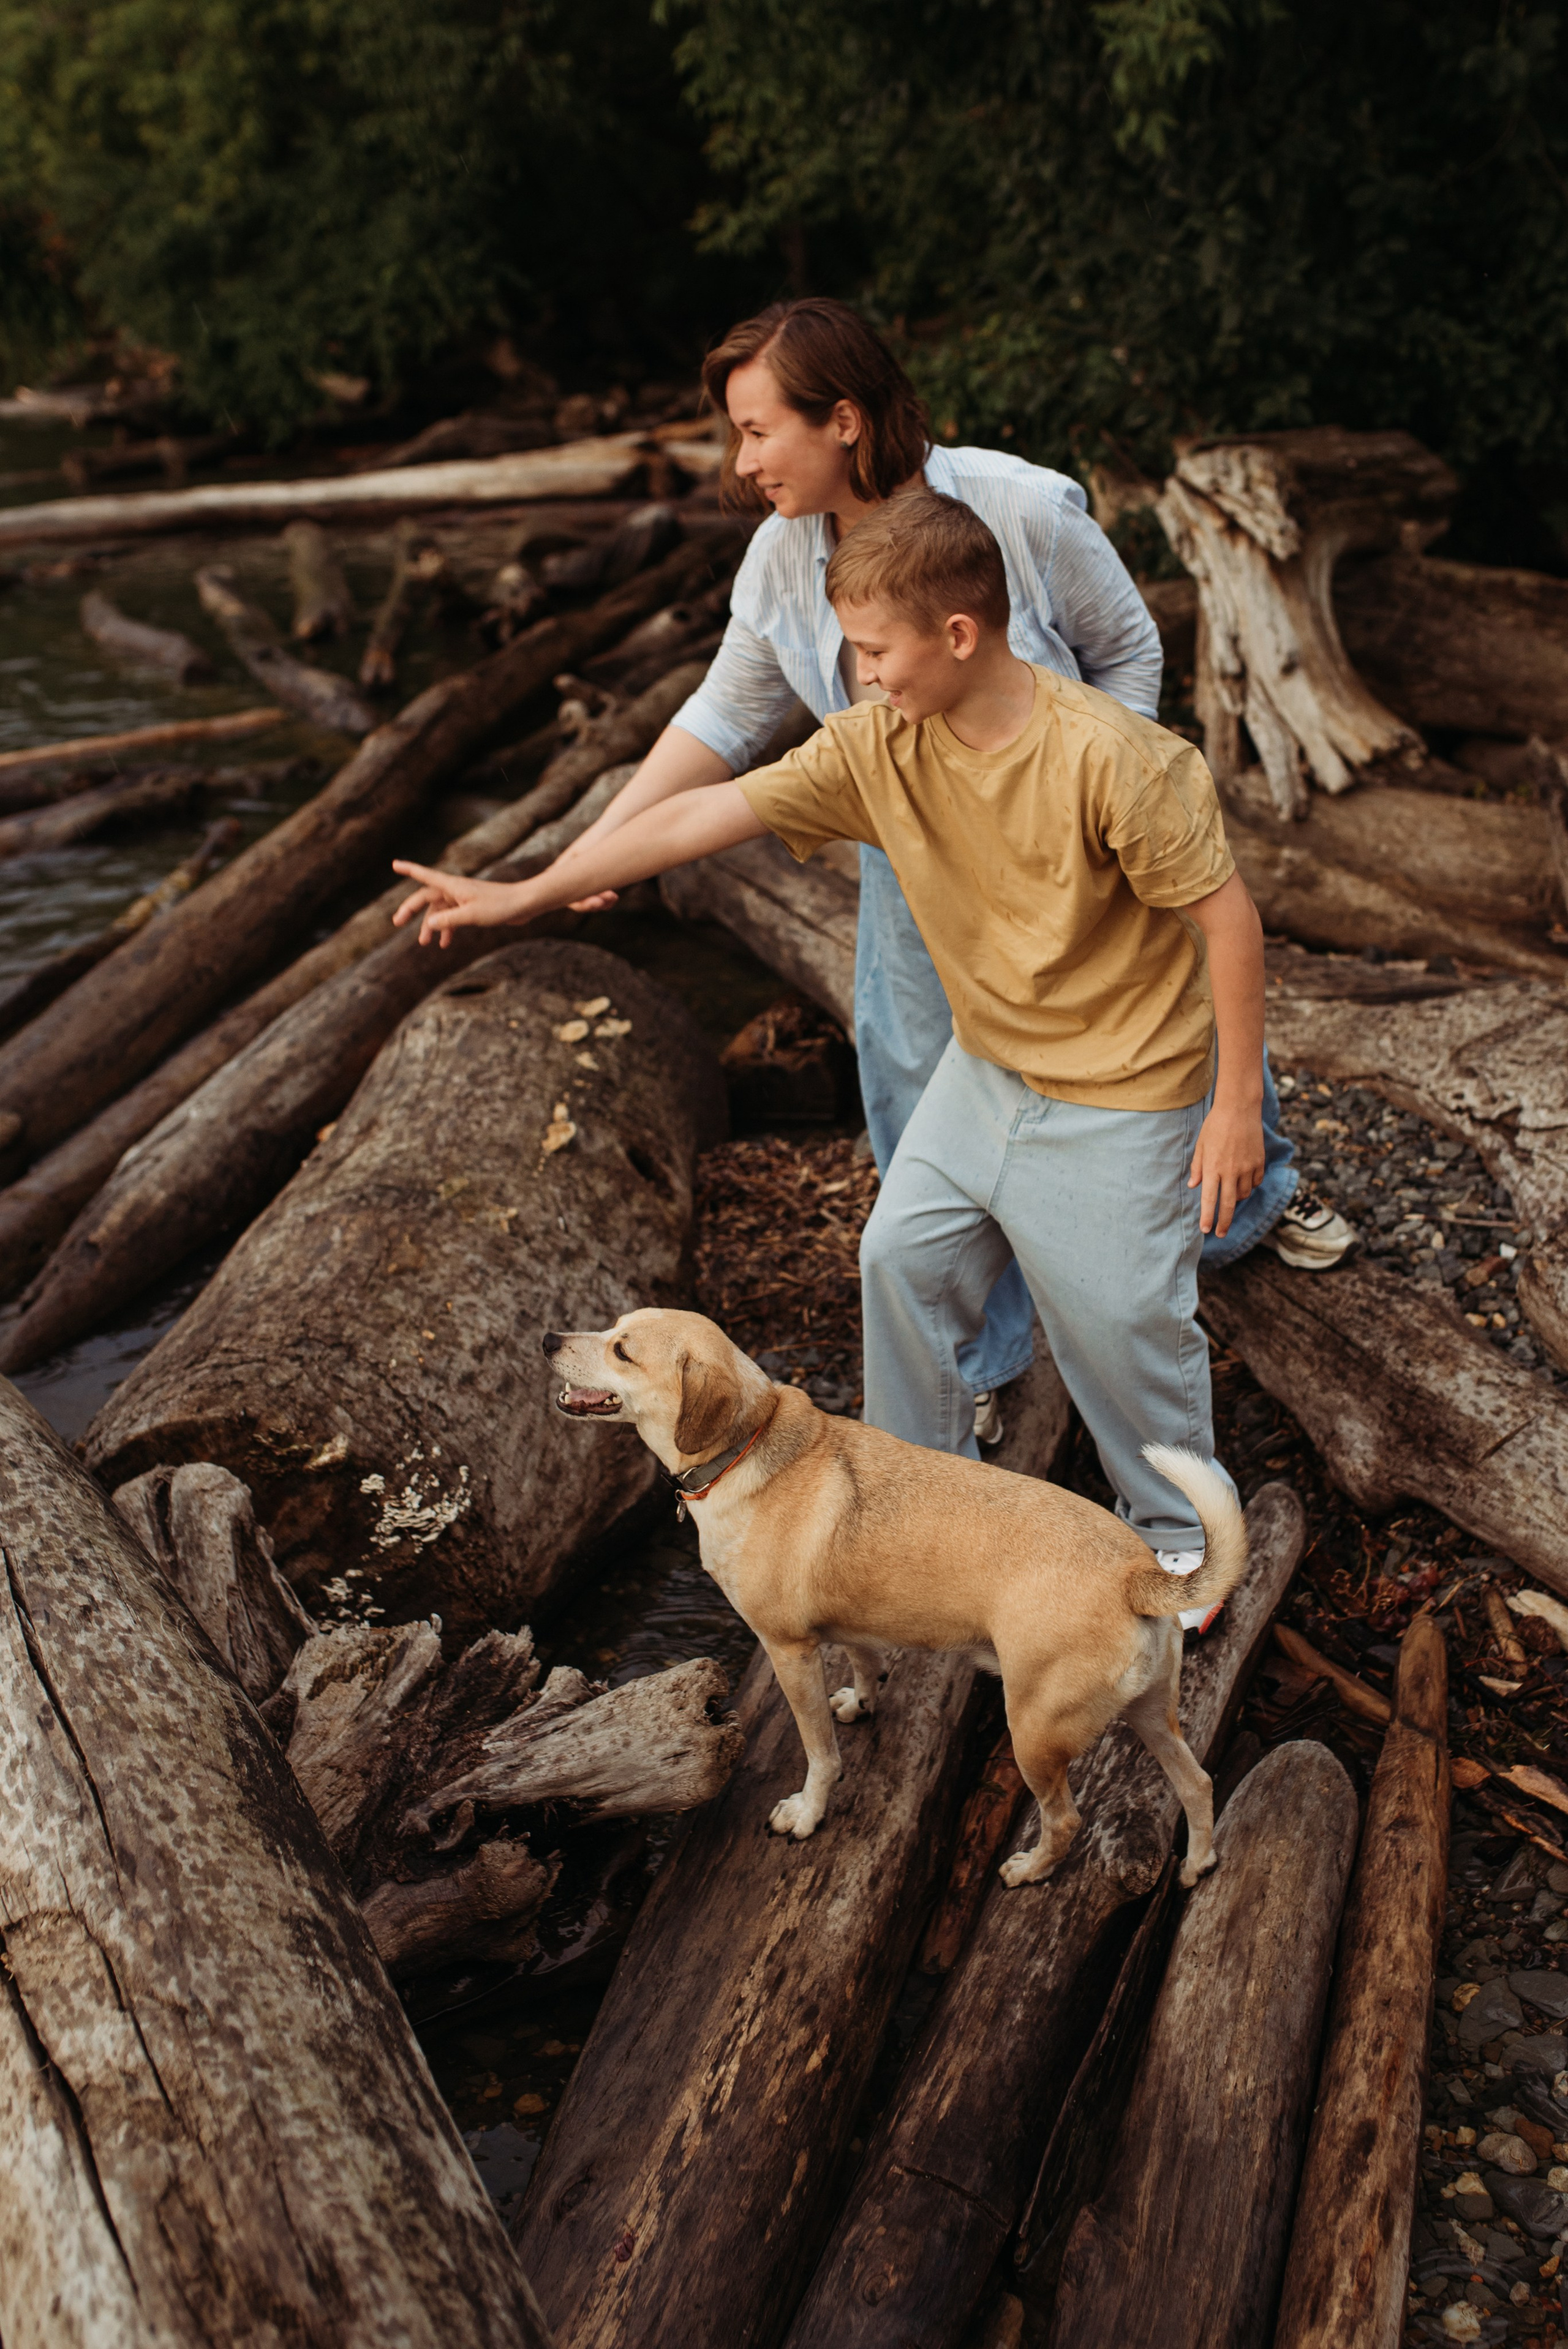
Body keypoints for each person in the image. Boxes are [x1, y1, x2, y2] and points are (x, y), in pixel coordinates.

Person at [391, 489, 1262, 1623]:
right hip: (989, 1069)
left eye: (873, 649)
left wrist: (1235, 1105)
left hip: (1125, 1090)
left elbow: (1228, 920)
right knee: (900, 1257)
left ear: (959, 635)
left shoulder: (1117, 760)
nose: (860, 674)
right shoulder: (878, 745)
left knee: (1120, 1328)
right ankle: (913, 1514)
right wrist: (531, 888)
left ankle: (1180, 1550)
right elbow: (701, 815)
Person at [554, 298, 1349, 1444]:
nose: (741, 463)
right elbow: (728, 714)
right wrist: (595, 854)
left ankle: (1249, 1196)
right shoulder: (781, 562)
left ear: (843, 419)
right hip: (916, 835)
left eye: (756, 430)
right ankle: (979, 1352)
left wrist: (1079, 808)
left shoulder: (1020, 507)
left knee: (1170, 993)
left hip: (1081, 817)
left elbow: (1129, 647)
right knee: (908, 1059)